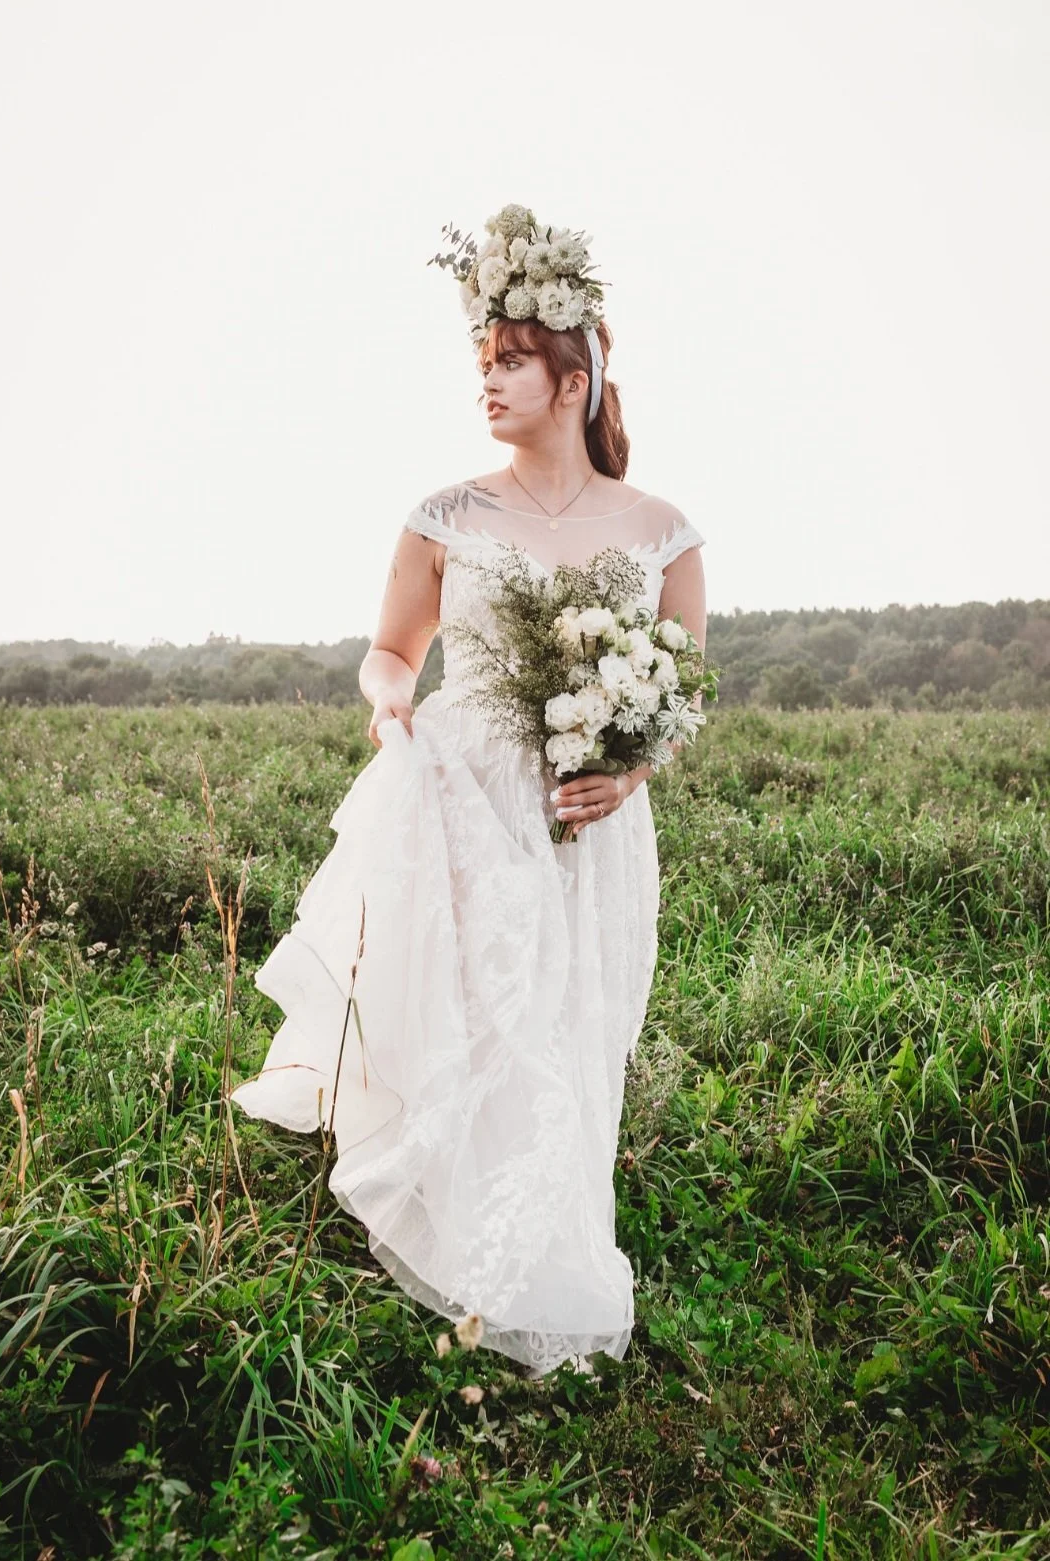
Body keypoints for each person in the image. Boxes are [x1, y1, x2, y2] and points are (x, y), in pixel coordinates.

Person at [231, 205, 707, 1379]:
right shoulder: (443, 515)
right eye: (481, 365)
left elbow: (684, 694)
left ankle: (539, 1237)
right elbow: (393, 650)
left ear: (575, 372)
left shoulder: (662, 532)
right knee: (475, 1018)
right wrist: (389, 702)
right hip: (458, 795)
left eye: (510, 365)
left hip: (586, 819)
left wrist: (630, 764)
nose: (487, 385)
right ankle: (453, 1223)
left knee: (560, 1027)